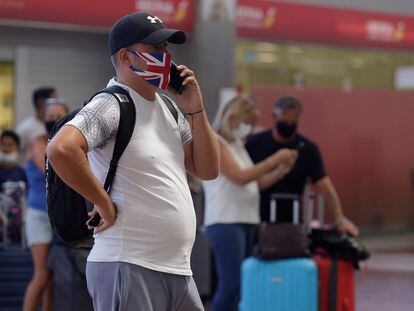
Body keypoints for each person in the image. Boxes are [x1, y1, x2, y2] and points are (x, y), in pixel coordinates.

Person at [46, 12, 220, 311]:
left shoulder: (167, 106)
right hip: (129, 263)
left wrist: (196, 108)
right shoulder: (112, 104)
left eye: (167, 49)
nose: (167, 57)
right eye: (156, 49)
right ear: (126, 57)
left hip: (176, 268)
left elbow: (207, 169)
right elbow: (61, 148)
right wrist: (102, 203)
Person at [202, 95, 297, 311]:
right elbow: (240, 177)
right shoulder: (217, 142)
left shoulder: (237, 145)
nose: (249, 128)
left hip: (247, 219)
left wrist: (281, 170)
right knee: (231, 284)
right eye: (248, 122)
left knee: (244, 284)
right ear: (233, 117)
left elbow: (257, 183)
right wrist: (275, 159)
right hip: (226, 221)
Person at [245, 95, 359, 236]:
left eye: (294, 119)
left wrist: (339, 218)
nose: (289, 123)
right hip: (257, 218)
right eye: (285, 118)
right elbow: (251, 182)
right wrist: (277, 165)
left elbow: (325, 187)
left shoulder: (307, 149)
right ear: (274, 117)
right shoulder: (255, 144)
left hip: (292, 219)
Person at [23, 98, 69, 311]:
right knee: (41, 275)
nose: (53, 120)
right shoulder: (37, 142)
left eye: (58, 116)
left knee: (52, 277)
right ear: (43, 119)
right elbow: (52, 170)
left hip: (58, 216)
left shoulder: (68, 142)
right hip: (40, 215)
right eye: (49, 117)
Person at [0, 130, 27, 244]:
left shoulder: (23, 173)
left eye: (10, 145)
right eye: (3, 144)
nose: (6, 148)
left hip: (21, 230)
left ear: (17, 148)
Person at [16, 87, 56, 153]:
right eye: (53, 102)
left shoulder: (58, 126)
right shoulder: (24, 129)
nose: (57, 105)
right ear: (41, 104)